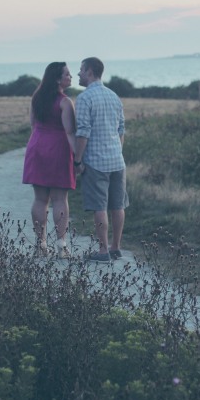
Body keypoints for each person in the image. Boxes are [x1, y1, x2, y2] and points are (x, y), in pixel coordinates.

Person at [73, 57, 128, 262]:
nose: (78, 74)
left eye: (80, 70)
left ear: (89, 72)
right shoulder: (114, 96)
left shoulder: (85, 98)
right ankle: (116, 247)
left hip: (96, 161)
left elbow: (83, 132)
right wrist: (117, 150)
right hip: (117, 160)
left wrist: (77, 160)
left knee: (100, 206)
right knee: (118, 205)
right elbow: (121, 129)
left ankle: (103, 250)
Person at [22, 62, 76, 258]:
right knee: (60, 198)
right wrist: (78, 159)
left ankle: (40, 245)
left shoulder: (36, 99)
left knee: (39, 199)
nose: (71, 77)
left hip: (36, 146)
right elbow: (70, 132)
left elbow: (32, 125)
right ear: (57, 79)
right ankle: (62, 246)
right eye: (67, 75)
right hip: (57, 148)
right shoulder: (65, 102)